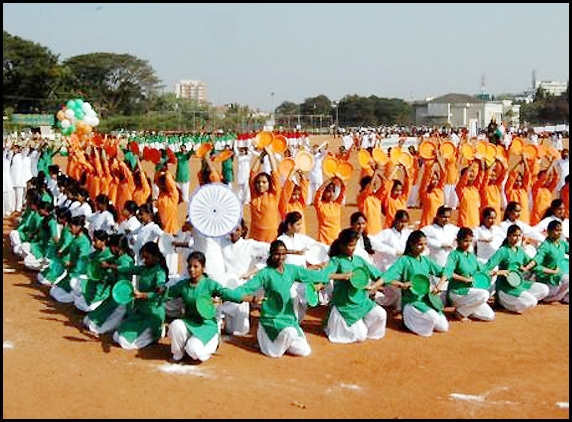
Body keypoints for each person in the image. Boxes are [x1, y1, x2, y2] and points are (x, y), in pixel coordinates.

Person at [221, 240, 326, 358]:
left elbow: (310, 275)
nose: (280, 257)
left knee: (304, 351)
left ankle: (282, 341)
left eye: (283, 254)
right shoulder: (265, 273)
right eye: (277, 254)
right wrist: (227, 295)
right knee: (280, 347)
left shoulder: (291, 270)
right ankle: (268, 341)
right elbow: (246, 288)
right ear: (271, 254)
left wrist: (329, 274)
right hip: (271, 320)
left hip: (288, 318)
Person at [370, 230, 449, 337]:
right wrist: (376, 286)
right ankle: (408, 322)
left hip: (427, 301)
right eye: (420, 244)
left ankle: (420, 320)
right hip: (411, 302)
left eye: (425, 244)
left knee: (444, 327)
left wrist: (439, 286)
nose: (423, 247)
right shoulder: (404, 260)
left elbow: (445, 272)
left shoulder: (426, 260)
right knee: (431, 321)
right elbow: (387, 276)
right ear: (411, 244)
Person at [320, 228, 388, 344]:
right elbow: (324, 275)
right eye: (350, 245)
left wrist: (397, 282)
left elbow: (379, 275)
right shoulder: (336, 260)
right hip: (345, 305)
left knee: (381, 314)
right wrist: (342, 276)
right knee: (360, 336)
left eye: (354, 245)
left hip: (362, 302)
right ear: (342, 245)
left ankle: (364, 326)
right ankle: (335, 326)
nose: (352, 249)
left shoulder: (359, 260)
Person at [166, 251, 232, 363]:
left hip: (206, 326)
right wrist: (145, 295)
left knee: (194, 351)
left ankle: (213, 343)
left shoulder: (210, 284)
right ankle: (178, 354)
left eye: (196, 266)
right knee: (175, 326)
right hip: (189, 322)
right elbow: (166, 295)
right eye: (190, 266)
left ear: (203, 268)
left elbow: (227, 294)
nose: (192, 269)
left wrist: (250, 298)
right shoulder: (183, 285)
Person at [112, 241, 169, 350]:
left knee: (125, 342)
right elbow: (129, 269)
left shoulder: (159, 272)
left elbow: (160, 287)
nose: (144, 261)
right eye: (143, 258)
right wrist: (110, 266)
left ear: (156, 256)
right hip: (141, 312)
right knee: (117, 336)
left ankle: (157, 332)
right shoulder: (144, 269)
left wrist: (143, 294)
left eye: (147, 258)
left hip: (152, 314)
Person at [484, 224, 549, 313]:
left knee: (544, 289)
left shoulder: (520, 251)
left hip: (519, 284)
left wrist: (548, 270)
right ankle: (502, 301)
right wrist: (499, 272)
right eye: (514, 235)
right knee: (531, 301)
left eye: (519, 235)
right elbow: (486, 270)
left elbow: (532, 264)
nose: (517, 238)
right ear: (508, 236)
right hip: (505, 288)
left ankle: (518, 299)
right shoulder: (503, 251)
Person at [277, 211, 324, 322]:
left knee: (305, 301)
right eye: (297, 224)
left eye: (300, 224)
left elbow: (316, 245)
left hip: (302, 278)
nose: (300, 226)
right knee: (292, 299)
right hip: (288, 279)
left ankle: (297, 322)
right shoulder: (281, 240)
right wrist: (295, 252)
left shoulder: (301, 239)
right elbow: (277, 251)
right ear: (289, 225)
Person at [84, 234, 134, 334]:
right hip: (112, 298)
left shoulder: (126, 261)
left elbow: (120, 279)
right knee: (87, 321)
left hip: (120, 300)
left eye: (111, 246)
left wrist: (109, 270)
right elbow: (104, 262)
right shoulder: (117, 258)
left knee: (95, 327)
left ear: (117, 247)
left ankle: (123, 319)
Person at [443, 227, 496, 322]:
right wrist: (464, 279)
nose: (468, 244)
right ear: (458, 241)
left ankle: (465, 310)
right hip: (457, 292)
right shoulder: (454, 255)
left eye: (470, 241)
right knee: (484, 294)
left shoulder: (471, 256)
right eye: (465, 241)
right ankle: (460, 313)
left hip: (471, 294)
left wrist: (498, 272)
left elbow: (483, 270)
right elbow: (448, 272)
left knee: (489, 316)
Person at [522, 220, 569, 304]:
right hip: (546, 280)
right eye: (556, 230)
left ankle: (557, 297)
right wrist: (526, 267)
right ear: (549, 231)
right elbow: (536, 260)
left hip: (557, 277)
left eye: (560, 230)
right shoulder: (545, 246)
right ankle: (549, 298)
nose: (559, 233)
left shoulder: (562, 243)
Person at [249, 145, 281, 242]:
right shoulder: (254, 195)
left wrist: (270, 155)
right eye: (258, 182)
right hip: (255, 235)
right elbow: (252, 173)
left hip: (271, 235)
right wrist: (262, 155)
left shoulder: (274, 195)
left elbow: (275, 174)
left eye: (264, 182)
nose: (260, 185)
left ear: (269, 184)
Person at [314, 176, 347, 245]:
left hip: (337, 239)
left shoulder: (337, 204)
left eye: (333, 191)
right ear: (324, 192)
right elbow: (319, 191)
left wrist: (339, 179)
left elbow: (343, 189)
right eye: (328, 191)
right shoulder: (320, 205)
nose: (331, 194)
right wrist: (330, 180)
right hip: (323, 239)